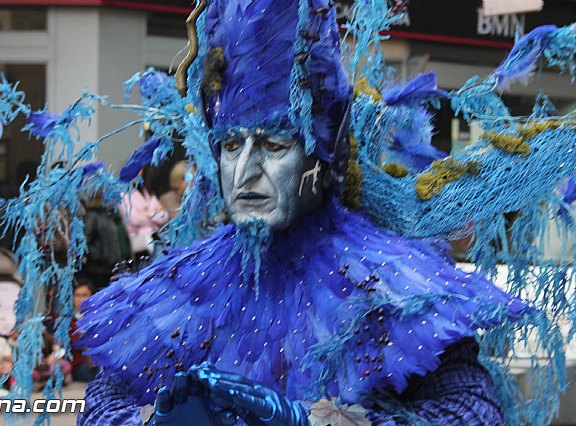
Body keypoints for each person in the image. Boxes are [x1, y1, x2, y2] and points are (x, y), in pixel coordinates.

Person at [74, 1, 573, 425]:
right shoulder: (186, 287)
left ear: (322, 153)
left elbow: (473, 411)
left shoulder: (392, 287)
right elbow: (101, 402)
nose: (245, 173)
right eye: (230, 147)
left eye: (272, 145)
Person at [119, 165, 169, 258]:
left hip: (156, 238)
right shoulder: (123, 195)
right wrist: (154, 214)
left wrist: (146, 213)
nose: (137, 174)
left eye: (139, 170)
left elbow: (164, 216)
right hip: (138, 242)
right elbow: (134, 219)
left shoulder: (149, 193)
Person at [69, 276, 99, 382]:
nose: (81, 299)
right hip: (79, 364)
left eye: (85, 295)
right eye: (77, 295)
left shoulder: (99, 316)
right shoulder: (66, 319)